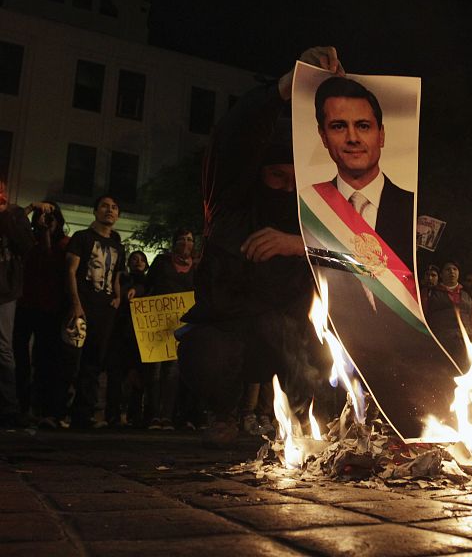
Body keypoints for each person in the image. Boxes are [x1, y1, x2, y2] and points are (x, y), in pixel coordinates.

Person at [179, 47, 342, 448]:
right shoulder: (230, 205)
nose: (286, 189)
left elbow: (362, 253)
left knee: (321, 349)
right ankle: (222, 414)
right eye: (276, 178)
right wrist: (286, 87)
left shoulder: (313, 219)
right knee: (207, 351)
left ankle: (308, 421)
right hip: (229, 330)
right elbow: (235, 136)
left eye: (293, 181)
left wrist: (296, 244)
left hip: (288, 341)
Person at [311, 76, 414, 271]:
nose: (352, 138)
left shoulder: (414, 207)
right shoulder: (309, 204)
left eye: (363, 126)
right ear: (324, 137)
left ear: (381, 135)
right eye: (339, 126)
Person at [64, 195, 125, 428]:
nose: (110, 210)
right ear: (95, 211)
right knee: (70, 358)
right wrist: (76, 303)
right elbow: (71, 270)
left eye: (114, 207)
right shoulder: (82, 238)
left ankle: (83, 414)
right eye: (105, 206)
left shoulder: (118, 246)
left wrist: (118, 297)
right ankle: (57, 410)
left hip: (105, 308)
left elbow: (117, 274)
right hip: (83, 303)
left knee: (93, 361)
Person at [14, 202, 70, 428]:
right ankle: (21, 404)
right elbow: (13, 222)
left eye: (52, 217)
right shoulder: (27, 240)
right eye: (44, 216)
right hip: (25, 304)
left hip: (51, 308)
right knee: (19, 356)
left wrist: (47, 232)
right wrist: (30, 207)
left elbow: (50, 261)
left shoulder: (65, 244)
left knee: (46, 359)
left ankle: (43, 408)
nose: (48, 220)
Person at [143, 229, 196, 431]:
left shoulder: (196, 267)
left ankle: (167, 416)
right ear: (173, 242)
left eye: (189, 239)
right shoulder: (161, 262)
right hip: (157, 323)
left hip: (179, 326)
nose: (185, 242)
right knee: (154, 371)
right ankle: (153, 416)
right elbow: (149, 285)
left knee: (173, 371)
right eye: (181, 238)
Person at [0, 187, 36, 427]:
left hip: (4, 290)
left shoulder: (12, 217)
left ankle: (8, 407)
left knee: (3, 347)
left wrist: (9, 216)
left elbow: (27, 246)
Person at [104, 250, 148, 428]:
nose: (138, 262)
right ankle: (112, 414)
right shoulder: (122, 279)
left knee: (137, 376)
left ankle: (134, 414)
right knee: (115, 375)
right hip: (121, 332)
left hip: (139, 335)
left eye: (141, 259)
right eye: (134, 259)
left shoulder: (148, 281)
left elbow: (144, 288)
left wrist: (135, 290)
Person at [421, 261, 472, 369]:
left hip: (467, 341)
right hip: (441, 342)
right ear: (442, 274)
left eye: (454, 269)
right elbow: (423, 315)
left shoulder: (468, 293)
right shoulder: (430, 293)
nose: (451, 272)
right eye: (448, 269)